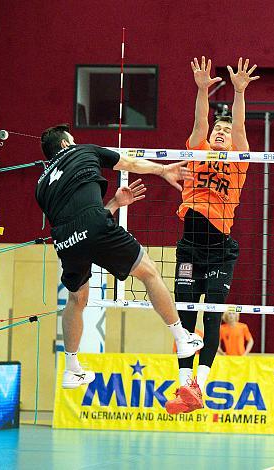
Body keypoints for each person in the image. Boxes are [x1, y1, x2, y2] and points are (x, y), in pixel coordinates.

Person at [35, 124, 203, 390]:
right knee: (148, 272)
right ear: (67, 144)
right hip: (93, 225)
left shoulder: (41, 185)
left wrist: (113, 205)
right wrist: (162, 169)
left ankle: (71, 369)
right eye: (73, 140)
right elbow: (129, 162)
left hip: (64, 239)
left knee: (77, 299)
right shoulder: (83, 150)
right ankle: (182, 339)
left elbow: (75, 218)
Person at [166, 56, 258, 414]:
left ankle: (197, 387)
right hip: (190, 246)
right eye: (217, 131)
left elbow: (240, 126)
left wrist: (238, 93)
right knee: (184, 316)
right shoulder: (197, 151)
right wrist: (202, 90)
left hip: (220, 249)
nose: (220, 133)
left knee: (212, 317)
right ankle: (185, 386)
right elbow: (200, 121)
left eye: (225, 132)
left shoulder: (239, 161)